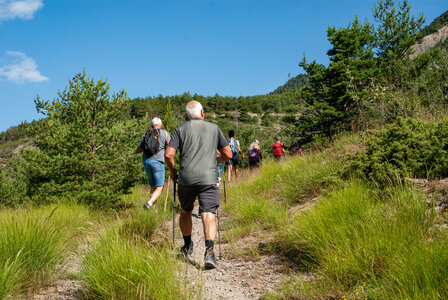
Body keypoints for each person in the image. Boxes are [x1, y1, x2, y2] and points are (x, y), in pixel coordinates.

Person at [165, 101, 232, 269]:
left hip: (186, 177)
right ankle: (209, 253)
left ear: (187, 115)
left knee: (185, 210)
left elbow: (168, 155)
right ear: (202, 112)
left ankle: (187, 246)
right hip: (208, 177)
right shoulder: (214, 128)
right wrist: (217, 160)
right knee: (208, 213)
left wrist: (174, 173)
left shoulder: (180, 129)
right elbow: (228, 154)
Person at [135, 117, 171, 209]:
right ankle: (149, 203)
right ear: (160, 125)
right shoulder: (164, 133)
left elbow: (139, 149)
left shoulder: (145, 135)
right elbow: (170, 146)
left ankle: (152, 210)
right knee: (160, 187)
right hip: (158, 162)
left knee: (153, 186)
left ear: (152, 125)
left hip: (146, 161)